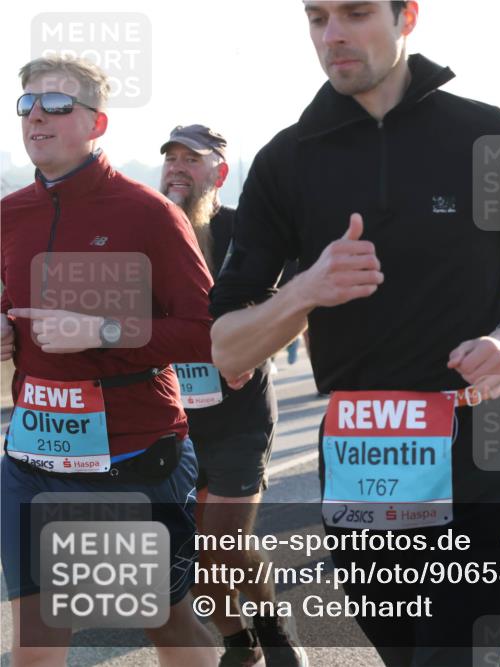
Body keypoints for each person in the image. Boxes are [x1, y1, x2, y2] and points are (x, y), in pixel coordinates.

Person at [207, 3, 500, 664]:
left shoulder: (487, 136)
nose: (332, 34)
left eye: (354, 12)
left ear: (407, 16)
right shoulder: (285, 161)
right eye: (316, 17)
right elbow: (228, 346)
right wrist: (306, 289)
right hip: (362, 461)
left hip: (480, 445)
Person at [1, 56, 217, 667]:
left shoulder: (147, 213)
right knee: (34, 650)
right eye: (27, 104)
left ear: (97, 123)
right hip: (32, 458)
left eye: (58, 103)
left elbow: (206, 332)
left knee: (166, 629)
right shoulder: (10, 212)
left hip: (130, 455)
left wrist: (105, 330)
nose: (37, 113)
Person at [159, 124, 302, 667]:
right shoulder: (146, 233)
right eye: (171, 158)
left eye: (190, 160)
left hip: (241, 415)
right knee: (200, 557)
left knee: (223, 544)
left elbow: (291, 300)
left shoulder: (248, 230)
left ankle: (275, 632)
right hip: (171, 418)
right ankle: (240, 642)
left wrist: (254, 345)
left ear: (217, 174)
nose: (177, 167)